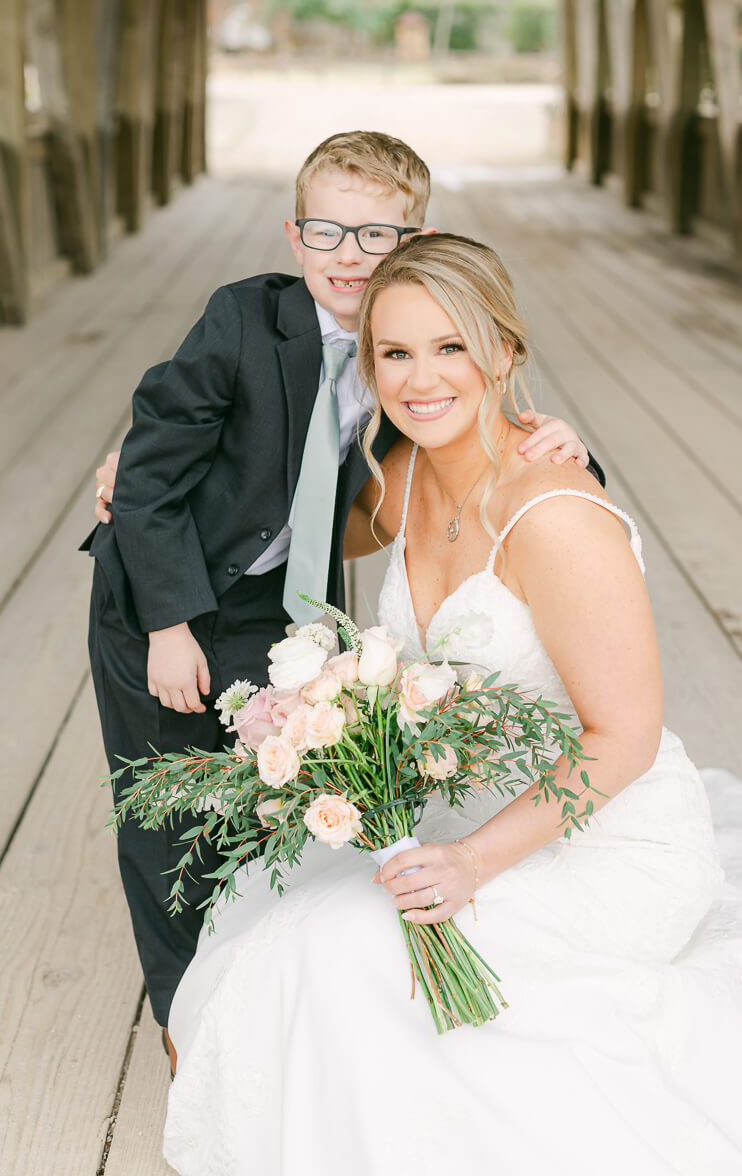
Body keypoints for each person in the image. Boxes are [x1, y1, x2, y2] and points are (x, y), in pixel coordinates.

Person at [161, 234, 742, 1176]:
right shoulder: (405, 473)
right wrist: (148, 474)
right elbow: (285, 513)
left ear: (504, 352)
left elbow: (625, 736)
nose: (421, 379)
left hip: (596, 840)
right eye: (395, 353)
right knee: (277, 936)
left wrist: (472, 862)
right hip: (459, 807)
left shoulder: (551, 514)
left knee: (348, 947)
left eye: (450, 348)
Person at [84, 131, 600, 1063]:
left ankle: (244, 977)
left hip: (277, 608)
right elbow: (150, 478)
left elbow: (474, 415)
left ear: (418, 241)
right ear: (294, 237)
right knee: (161, 810)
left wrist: (558, 441)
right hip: (160, 595)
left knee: (262, 795)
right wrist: (168, 624)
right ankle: (178, 1015)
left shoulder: (405, 350)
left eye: (378, 237)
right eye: (328, 234)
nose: (351, 258)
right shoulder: (245, 322)